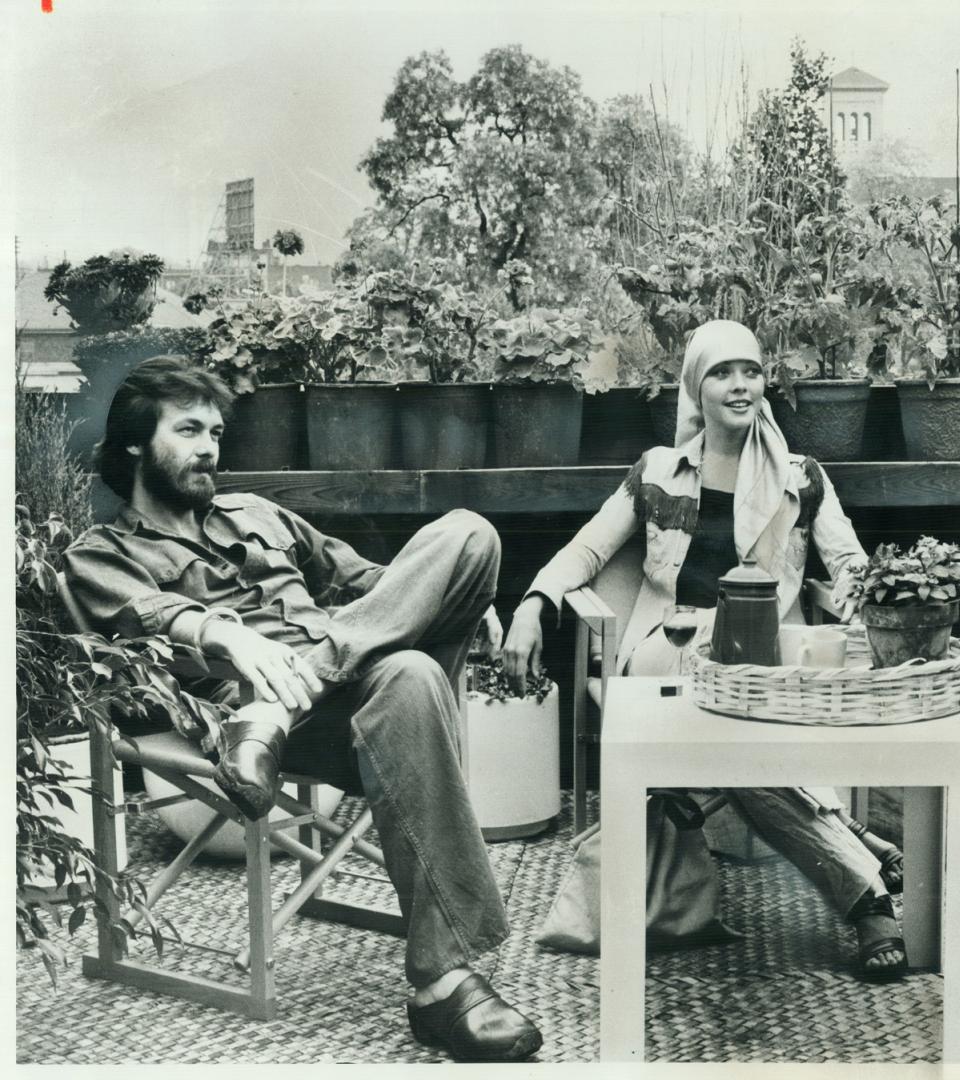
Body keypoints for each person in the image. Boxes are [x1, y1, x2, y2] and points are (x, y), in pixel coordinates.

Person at [62, 356, 542, 1062]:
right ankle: (443, 982)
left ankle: (280, 707)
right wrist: (225, 630)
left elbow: (371, 581)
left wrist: (465, 595)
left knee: (468, 534)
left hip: (325, 696)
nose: (208, 448)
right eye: (188, 429)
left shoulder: (259, 514)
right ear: (135, 443)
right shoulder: (101, 551)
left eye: (216, 433)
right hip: (251, 720)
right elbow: (147, 617)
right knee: (408, 671)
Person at [503, 319, 909, 979]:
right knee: (733, 733)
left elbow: (848, 563)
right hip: (671, 649)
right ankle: (866, 896)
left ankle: (854, 854)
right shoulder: (657, 473)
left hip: (762, 656)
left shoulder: (801, 478)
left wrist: (890, 619)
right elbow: (587, 549)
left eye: (750, 370)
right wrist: (532, 602)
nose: (740, 384)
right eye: (722, 372)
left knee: (738, 739)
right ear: (697, 385)